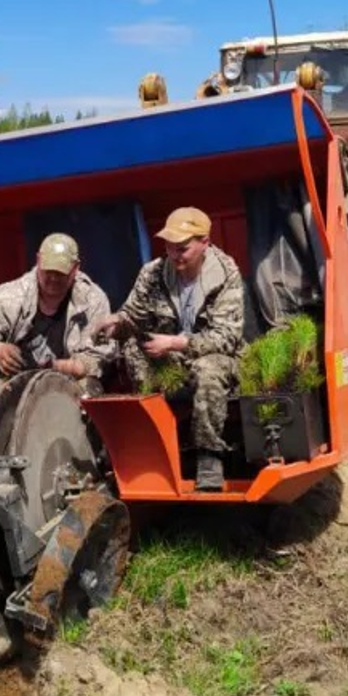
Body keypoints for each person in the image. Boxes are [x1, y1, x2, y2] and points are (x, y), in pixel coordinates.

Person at [93, 207, 244, 492]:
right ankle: (148, 446)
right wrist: (115, 324)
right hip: (168, 360)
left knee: (210, 367)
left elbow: (226, 338)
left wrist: (175, 343)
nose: (174, 255)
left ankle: (209, 456)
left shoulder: (225, 275)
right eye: (169, 247)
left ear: (205, 243)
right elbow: (132, 317)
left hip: (212, 357)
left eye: (183, 248)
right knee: (134, 350)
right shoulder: (152, 273)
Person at [0, 233, 114, 405]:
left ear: (75, 268)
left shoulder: (92, 300)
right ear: (38, 261)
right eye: (48, 271)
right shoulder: (11, 296)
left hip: (66, 386)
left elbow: (96, 361)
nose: (53, 278)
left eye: (60, 272)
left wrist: (54, 368)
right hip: (15, 384)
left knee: (90, 386)